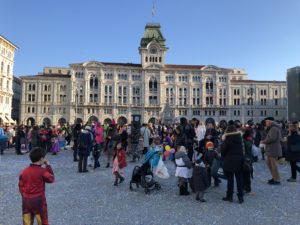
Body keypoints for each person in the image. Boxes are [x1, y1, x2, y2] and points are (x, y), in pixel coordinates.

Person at [19, 147, 55, 225]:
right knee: (42, 221)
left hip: (26, 201)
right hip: (39, 201)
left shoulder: (24, 171)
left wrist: (25, 196)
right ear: (41, 159)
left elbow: (21, 187)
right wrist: (48, 165)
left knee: (27, 222)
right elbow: (51, 179)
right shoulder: (42, 171)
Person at [221, 125, 244, 204]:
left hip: (229, 161)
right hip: (240, 161)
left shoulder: (227, 139)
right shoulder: (240, 138)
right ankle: (240, 197)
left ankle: (229, 196)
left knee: (230, 179)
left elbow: (223, 151)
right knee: (239, 179)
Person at [261, 117, 282, 185]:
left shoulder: (274, 128)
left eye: (266, 122)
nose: (265, 123)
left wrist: (263, 141)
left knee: (273, 165)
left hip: (273, 149)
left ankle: (277, 179)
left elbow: (271, 138)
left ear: (270, 122)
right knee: (269, 164)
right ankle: (274, 177)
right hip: (271, 149)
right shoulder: (271, 128)